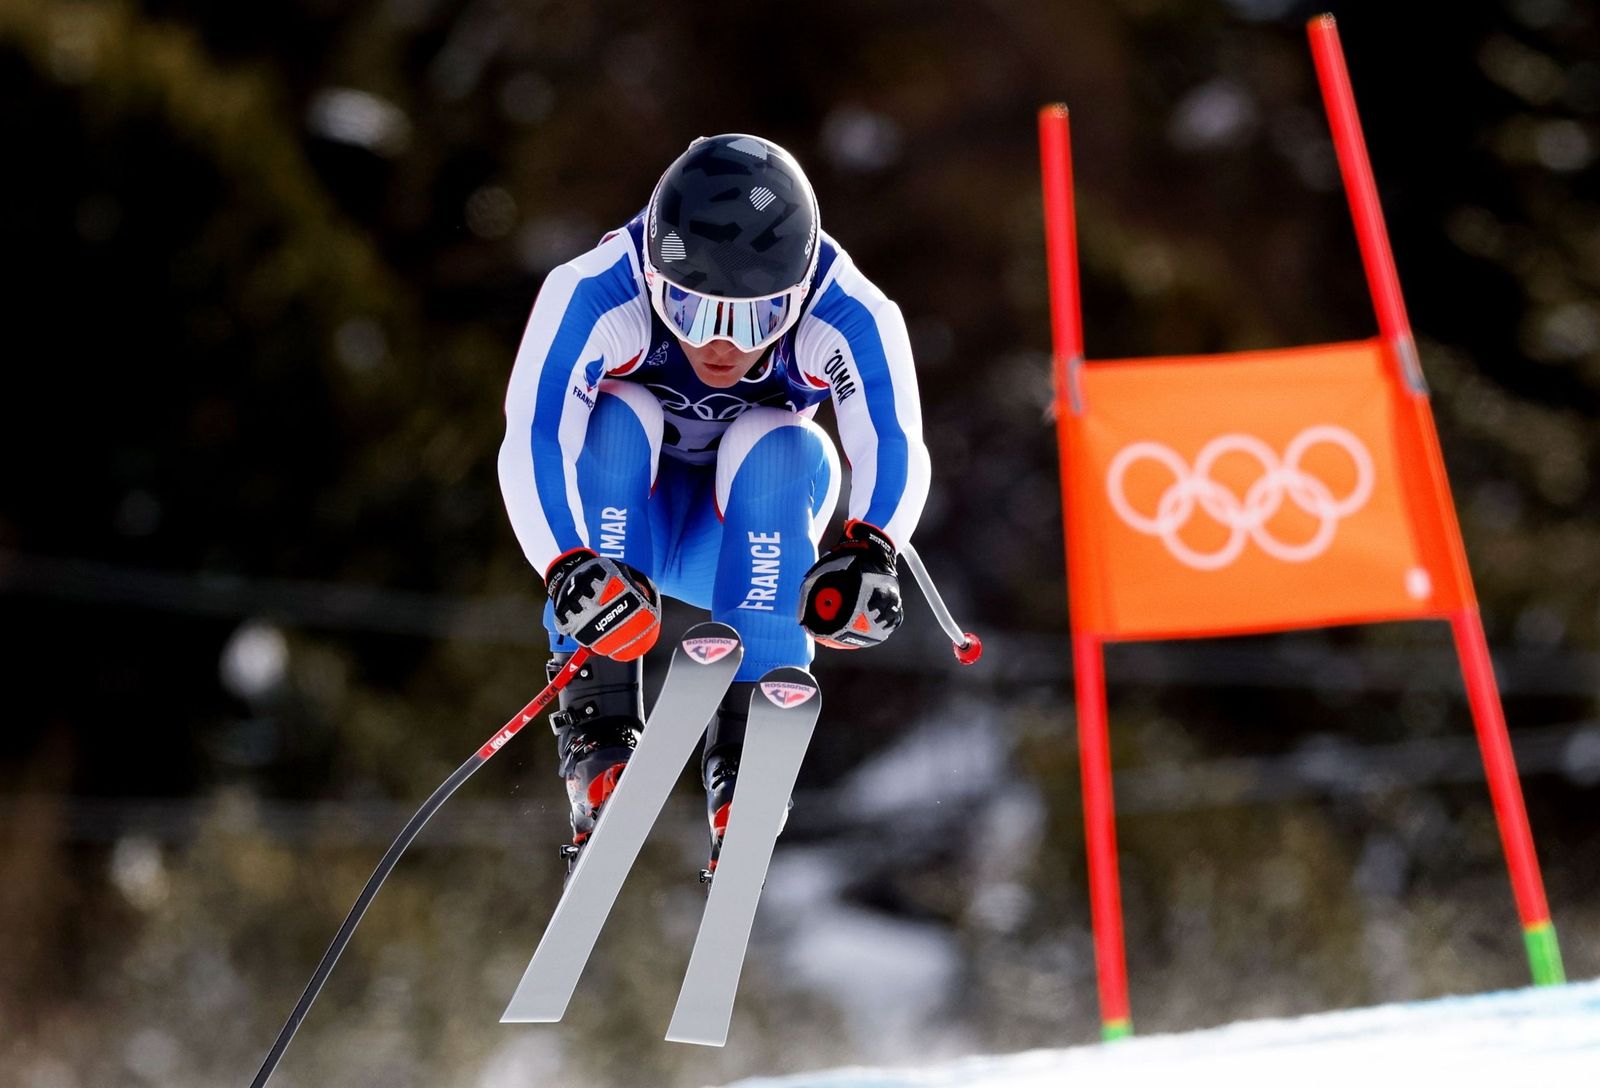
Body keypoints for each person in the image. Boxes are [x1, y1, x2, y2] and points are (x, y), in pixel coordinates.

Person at [498, 133, 930, 874]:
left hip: (743, 546)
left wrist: (873, 547)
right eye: (693, 313)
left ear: (796, 297)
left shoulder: (849, 309)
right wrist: (566, 563)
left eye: (759, 320)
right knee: (616, 413)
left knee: (780, 439)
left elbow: (892, 438)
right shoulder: (598, 289)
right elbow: (535, 435)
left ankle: (747, 745)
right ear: (656, 276)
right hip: (620, 544)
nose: (722, 347)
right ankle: (598, 733)